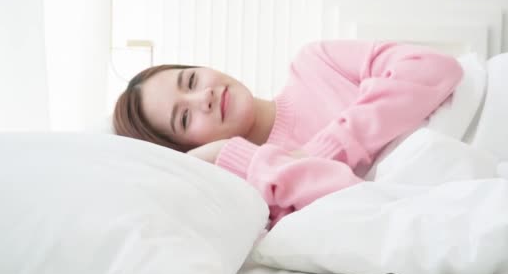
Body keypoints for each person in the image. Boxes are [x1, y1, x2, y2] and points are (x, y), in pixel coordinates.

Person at [113, 40, 463, 227]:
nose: (202, 97)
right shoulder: (267, 188)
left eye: (190, 80)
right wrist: (241, 159)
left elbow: (434, 67)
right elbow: (358, 208)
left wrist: (326, 149)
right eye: (184, 118)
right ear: (189, 149)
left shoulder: (315, 62)